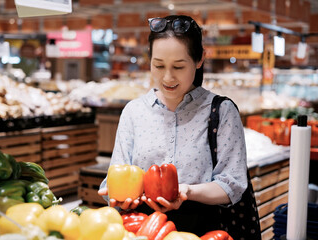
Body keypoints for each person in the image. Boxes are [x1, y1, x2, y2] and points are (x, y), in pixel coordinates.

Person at [98, 15, 255, 237]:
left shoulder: (222, 111)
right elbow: (116, 173)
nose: (168, 77)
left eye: (179, 66)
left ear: (199, 59)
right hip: (142, 228)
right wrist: (119, 197)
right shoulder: (134, 112)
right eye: (158, 65)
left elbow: (233, 184)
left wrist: (188, 191)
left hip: (203, 230)